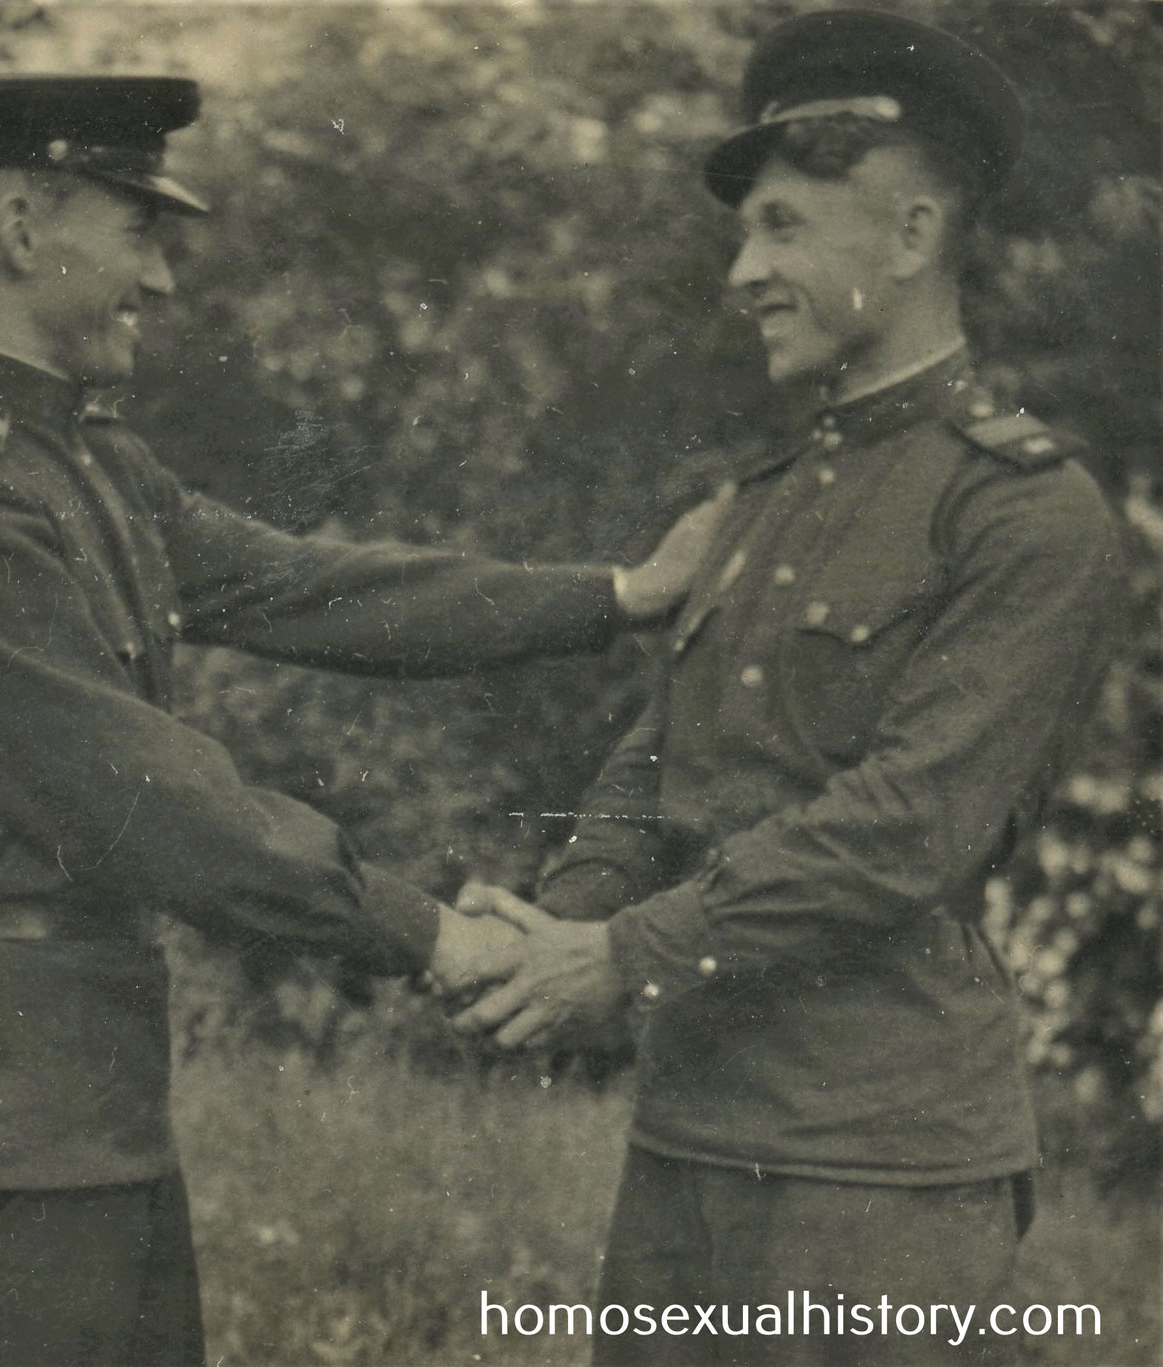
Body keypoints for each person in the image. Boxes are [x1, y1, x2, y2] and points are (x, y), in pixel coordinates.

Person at [0, 75, 731, 1367]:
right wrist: (429, 935)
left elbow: (315, 589)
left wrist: (618, 596)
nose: (163, 282)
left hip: (72, 1112)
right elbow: (148, 799)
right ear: (17, 229)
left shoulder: (86, 465)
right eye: (140, 235)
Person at [455, 10, 1124, 1365]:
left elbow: (903, 830)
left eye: (779, 229)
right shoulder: (759, 501)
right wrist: (562, 921)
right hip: (691, 1130)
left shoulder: (1026, 514)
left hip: (872, 1169)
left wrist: (619, 957)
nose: (740, 272)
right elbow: (661, 754)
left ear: (911, 232)